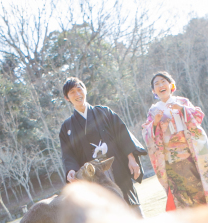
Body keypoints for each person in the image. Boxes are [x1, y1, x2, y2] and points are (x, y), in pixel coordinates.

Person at [58, 77, 146, 214]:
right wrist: (71, 170)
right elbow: (68, 154)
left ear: (85, 90)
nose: (77, 94)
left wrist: (132, 158)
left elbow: (123, 135)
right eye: (72, 92)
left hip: (117, 167)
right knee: (106, 213)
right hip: (93, 176)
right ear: (67, 98)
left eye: (79, 89)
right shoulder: (66, 127)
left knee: (132, 205)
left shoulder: (104, 112)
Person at [141, 72, 208, 209]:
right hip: (171, 162)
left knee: (200, 192)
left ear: (171, 84)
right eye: (156, 84)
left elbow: (198, 117)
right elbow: (147, 134)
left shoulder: (182, 102)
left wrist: (182, 109)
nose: (161, 85)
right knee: (182, 198)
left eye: (163, 81)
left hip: (191, 156)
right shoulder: (153, 110)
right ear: (153, 91)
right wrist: (155, 123)